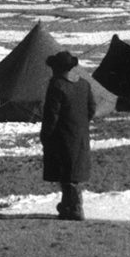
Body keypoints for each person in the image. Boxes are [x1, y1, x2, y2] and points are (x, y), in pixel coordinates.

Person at [41, 50, 96, 221]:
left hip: (62, 134)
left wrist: (46, 135)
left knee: (66, 172)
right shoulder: (84, 84)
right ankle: (67, 206)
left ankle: (75, 207)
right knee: (73, 170)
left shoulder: (57, 85)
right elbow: (92, 108)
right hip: (80, 134)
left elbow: (52, 115)